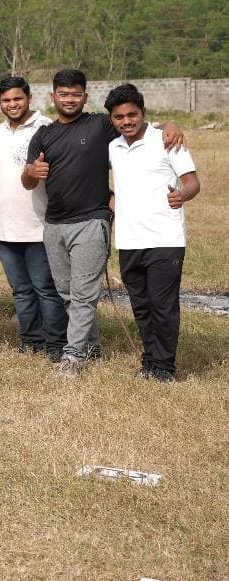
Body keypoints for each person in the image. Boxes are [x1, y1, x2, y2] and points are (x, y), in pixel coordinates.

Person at [23, 69, 183, 377]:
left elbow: (137, 127)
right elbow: (28, 180)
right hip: (54, 224)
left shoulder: (99, 125)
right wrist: (33, 172)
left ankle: (72, 357)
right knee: (67, 292)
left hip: (91, 221)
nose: (70, 99)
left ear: (85, 96)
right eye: (64, 94)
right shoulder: (43, 134)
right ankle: (91, 346)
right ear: (53, 96)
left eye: (76, 94)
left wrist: (171, 125)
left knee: (84, 293)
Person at [106, 83, 200, 382]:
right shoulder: (113, 146)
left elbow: (192, 181)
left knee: (163, 307)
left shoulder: (168, 140)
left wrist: (182, 195)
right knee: (142, 306)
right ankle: (149, 362)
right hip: (129, 240)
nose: (126, 121)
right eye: (119, 117)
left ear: (143, 112)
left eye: (132, 114)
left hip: (165, 239)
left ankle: (165, 369)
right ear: (112, 119)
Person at [0, 77, 66, 359]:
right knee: (21, 291)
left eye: (17, 99)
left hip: (39, 227)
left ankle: (55, 344)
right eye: (7, 101)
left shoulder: (47, 127)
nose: (12, 105)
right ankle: (31, 341)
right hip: (5, 229)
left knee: (46, 289)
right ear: (0, 103)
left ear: (29, 98)